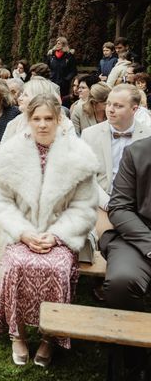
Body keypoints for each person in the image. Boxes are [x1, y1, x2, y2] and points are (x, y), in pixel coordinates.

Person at [0, 93, 98, 367]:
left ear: (59, 120)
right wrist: (22, 232)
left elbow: (84, 207)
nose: (43, 124)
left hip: (59, 235)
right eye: (36, 118)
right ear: (28, 120)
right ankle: (18, 334)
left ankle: (49, 337)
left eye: (49, 118)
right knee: (14, 265)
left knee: (57, 268)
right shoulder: (9, 154)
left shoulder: (79, 155)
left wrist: (57, 234)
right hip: (19, 234)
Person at [100, 136, 151, 380]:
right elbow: (119, 207)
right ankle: (135, 361)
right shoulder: (137, 151)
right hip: (138, 235)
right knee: (121, 281)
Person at [81, 84, 151, 257]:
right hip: (102, 203)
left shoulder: (148, 135)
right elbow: (86, 178)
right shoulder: (89, 134)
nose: (110, 110)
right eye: (109, 103)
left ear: (135, 109)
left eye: (118, 106)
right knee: (112, 235)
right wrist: (108, 205)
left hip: (138, 205)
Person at [2, 77, 72, 143]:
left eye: (25, 95)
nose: (19, 98)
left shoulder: (64, 125)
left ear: (38, 97)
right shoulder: (15, 123)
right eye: (21, 94)